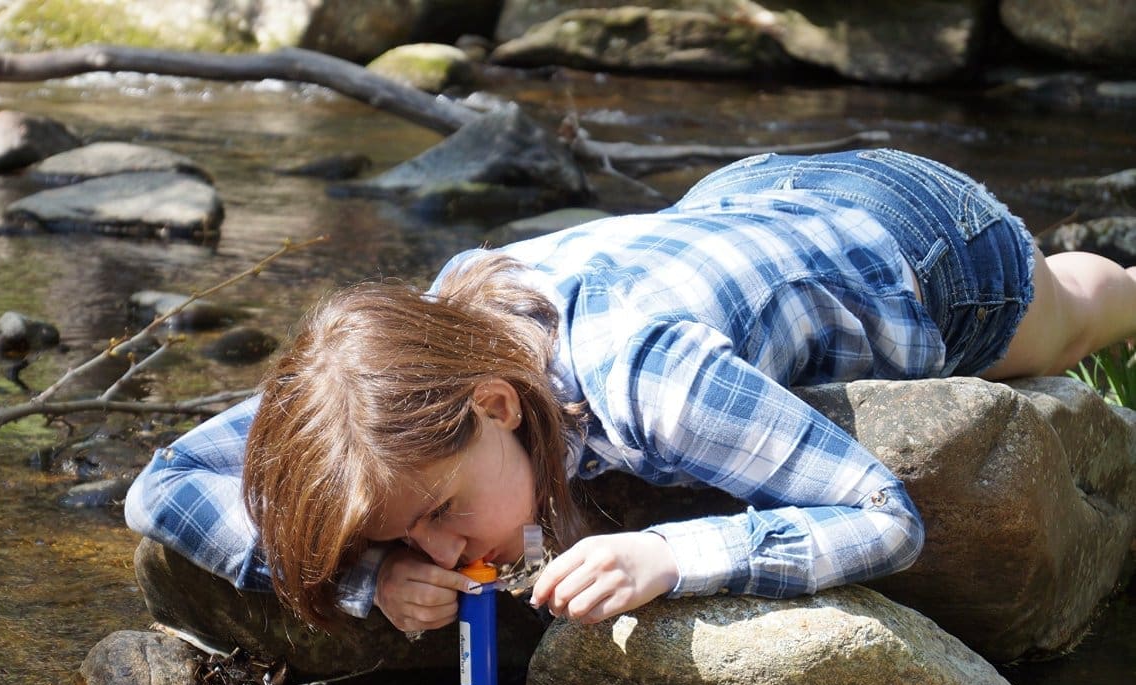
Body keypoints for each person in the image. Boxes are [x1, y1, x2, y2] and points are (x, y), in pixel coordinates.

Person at [127, 148, 1136, 640]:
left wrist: (672, 551)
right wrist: (363, 578)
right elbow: (165, 484)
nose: (437, 551)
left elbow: (885, 515)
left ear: (498, 403)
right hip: (731, 202)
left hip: (917, 244)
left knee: (1075, 315)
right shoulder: (378, 385)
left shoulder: (655, 383)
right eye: (414, 536)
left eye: (436, 513)